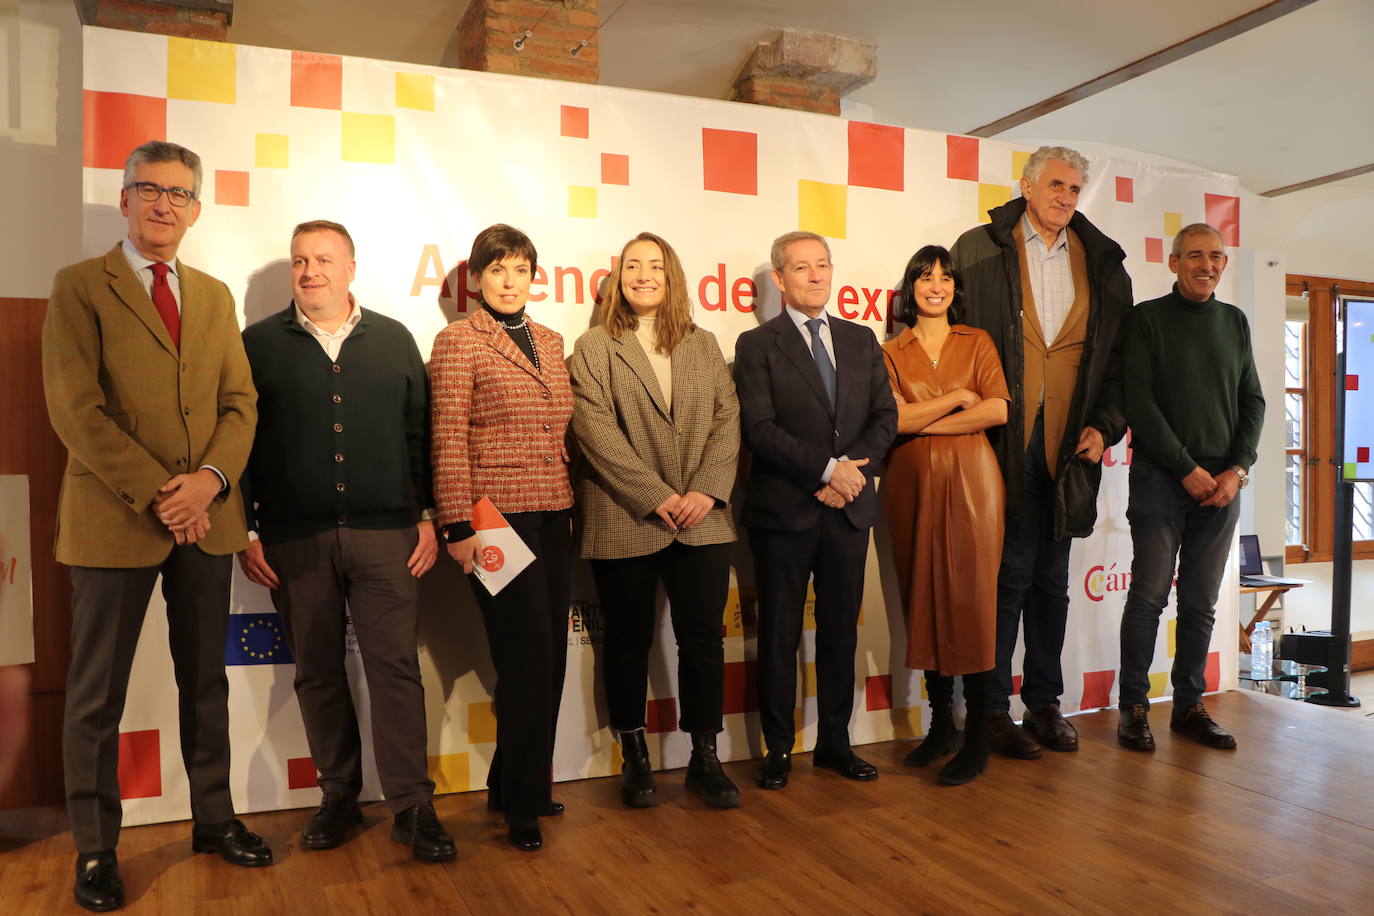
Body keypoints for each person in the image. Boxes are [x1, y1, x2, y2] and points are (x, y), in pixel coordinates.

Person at [42, 140, 268, 912]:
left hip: (207, 518)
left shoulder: (213, 295)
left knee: (204, 680)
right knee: (95, 695)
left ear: (197, 208)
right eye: (149, 188)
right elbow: (76, 410)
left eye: (179, 192)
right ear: (125, 198)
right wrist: (158, 492)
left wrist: (207, 483)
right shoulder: (78, 287)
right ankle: (96, 848)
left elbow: (241, 403)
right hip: (114, 520)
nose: (164, 203)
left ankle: (214, 819)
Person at [237, 220, 452, 861]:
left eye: (324, 260)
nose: (311, 272)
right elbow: (240, 444)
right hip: (293, 541)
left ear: (351, 267)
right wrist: (247, 528)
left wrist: (428, 515)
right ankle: (338, 796)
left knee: (395, 671)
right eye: (300, 261)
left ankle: (413, 806)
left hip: (388, 536)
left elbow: (421, 436)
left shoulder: (393, 340)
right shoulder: (256, 345)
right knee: (318, 673)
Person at [950, 145, 1133, 760]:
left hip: (1070, 448)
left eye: (1076, 188)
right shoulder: (977, 249)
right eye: (1056, 184)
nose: (1066, 197)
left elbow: (1120, 366)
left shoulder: (1104, 264)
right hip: (1000, 442)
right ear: (1026, 187)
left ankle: (1045, 704)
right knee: (1004, 579)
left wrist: (1105, 428)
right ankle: (992, 710)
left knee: (1052, 583)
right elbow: (953, 344)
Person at [569, 232, 741, 810]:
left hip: (701, 519)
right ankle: (634, 755)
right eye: (634, 266)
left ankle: (705, 756)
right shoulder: (594, 346)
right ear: (619, 278)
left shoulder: (704, 342)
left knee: (703, 642)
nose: (645, 275)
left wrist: (706, 491)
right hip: (625, 517)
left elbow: (727, 420)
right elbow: (595, 433)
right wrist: (655, 494)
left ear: (673, 279)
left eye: (657, 267)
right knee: (626, 641)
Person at [734, 231, 897, 790]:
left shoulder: (860, 338)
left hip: (848, 511)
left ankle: (835, 742)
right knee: (779, 633)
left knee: (839, 635)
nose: (817, 276)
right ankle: (778, 748)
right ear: (779, 280)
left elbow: (885, 417)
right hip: (785, 513)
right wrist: (827, 472)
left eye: (823, 265)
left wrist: (850, 475)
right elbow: (758, 430)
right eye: (802, 268)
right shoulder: (757, 346)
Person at [429, 224, 573, 852]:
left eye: (520, 269)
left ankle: (513, 781)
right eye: (497, 270)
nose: (510, 282)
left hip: (553, 515)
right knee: (524, 658)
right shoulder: (459, 340)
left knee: (552, 661)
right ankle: (521, 800)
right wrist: (458, 524)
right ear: (477, 279)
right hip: (493, 521)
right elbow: (447, 437)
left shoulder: (550, 339)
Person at [1115, 224, 1264, 751]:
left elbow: (1254, 402)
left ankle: (1189, 707)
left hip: (1222, 488)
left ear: (1224, 264)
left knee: (1200, 604)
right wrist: (1184, 467)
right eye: (1195, 255)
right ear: (1174, 262)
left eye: (1216, 256)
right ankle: (1133, 707)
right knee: (1149, 597)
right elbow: (1139, 402)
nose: (1207, 264)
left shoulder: (1234, 322)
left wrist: (1238, 469)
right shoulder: (1147, 320)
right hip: (1161, 481)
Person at [881, 246, 1009, 786]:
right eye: (925, 276)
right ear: (910, 287)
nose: (936, 285)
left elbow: (997, 408)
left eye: (945, 277)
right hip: (911, 485)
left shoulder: (976, 340)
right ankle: (941, 726)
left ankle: (977, 732)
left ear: (956, 287)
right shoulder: (891, 349)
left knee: (973, 602)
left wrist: (923, 423)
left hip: (975, 482)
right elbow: (892, 418)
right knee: (925, 597)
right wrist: (956, 397)